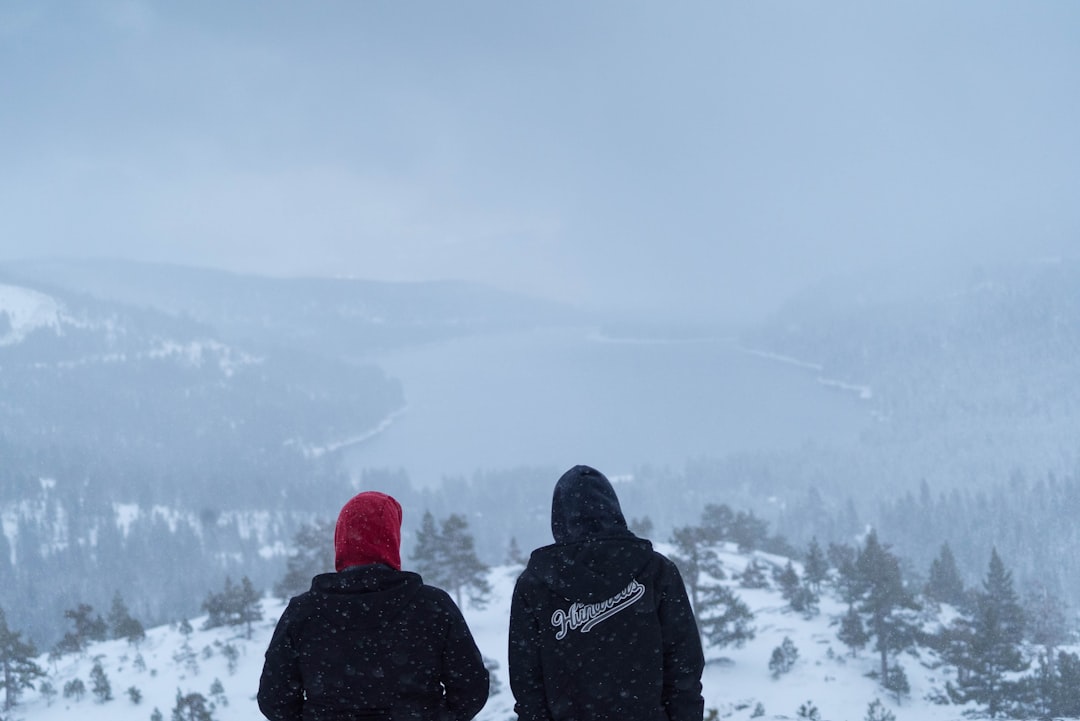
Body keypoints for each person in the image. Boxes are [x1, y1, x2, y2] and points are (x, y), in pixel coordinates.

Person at [258, 491, 489, 721]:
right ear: (392, 540)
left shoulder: (303, 612)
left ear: (341, 541)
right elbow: (471, 689)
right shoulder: (432, 606)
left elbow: (274, 701)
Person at [509, 465, 705, 721]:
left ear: (559, 517)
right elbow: (684, 666)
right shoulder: (657, 571)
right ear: (613, 510)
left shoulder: (534, 584)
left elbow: (527, 683)